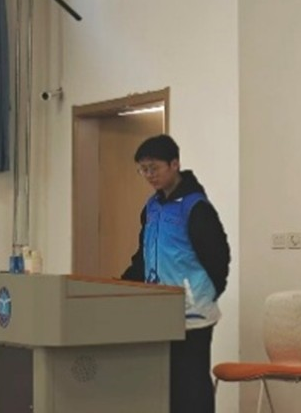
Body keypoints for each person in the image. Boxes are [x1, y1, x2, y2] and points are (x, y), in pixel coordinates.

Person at [121, 134, 230, 413]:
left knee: (192, 386)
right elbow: (144, 255)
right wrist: (124, 283)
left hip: (192, 315)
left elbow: (218, 258)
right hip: (159, 312)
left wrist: (200, 294)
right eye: (143, 170)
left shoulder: (195, 207)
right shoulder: (151, 207)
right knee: (165, 386)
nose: (149, 175)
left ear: (174, 164)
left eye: (154, 168)